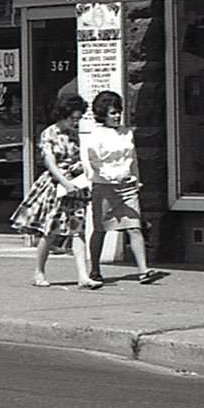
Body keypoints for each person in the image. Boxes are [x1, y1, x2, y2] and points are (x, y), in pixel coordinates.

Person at [10, 91, 98, 289]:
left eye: (78, 119)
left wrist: (80, 169)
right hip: (55, 186)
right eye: (73, 119)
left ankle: (83, 275)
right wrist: (64, 182)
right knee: (50, 231)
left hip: (75, 185)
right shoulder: (49, 134)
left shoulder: (75, 135)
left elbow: (80, 158)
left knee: (78, 231)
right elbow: (50, 163)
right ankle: (39, 271)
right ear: (62, 115)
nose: (75, 123)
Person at [81, 90, 160, 285]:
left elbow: (132, 158)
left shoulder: (126, 133)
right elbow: (93, 162)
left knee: (134, 226)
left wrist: (136, 179)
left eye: (118, 112)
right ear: (102, 114)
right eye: (112, 113)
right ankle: (95, 269)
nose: (116, 116)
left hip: (127, 186)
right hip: (104, 186)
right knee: (101, 229)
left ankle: (143, 270)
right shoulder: (95, 135)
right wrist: (109, 176)